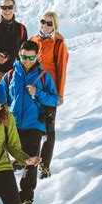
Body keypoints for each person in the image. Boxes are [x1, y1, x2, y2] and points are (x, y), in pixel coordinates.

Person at [0, 40, 58, 204]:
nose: (27, 60)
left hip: (34, 125)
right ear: (19, 54)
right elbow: (2, 99)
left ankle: (26, 198)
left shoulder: (44, 76)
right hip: (13, 124)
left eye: (31, 57)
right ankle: (1, 190)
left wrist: (37, 92)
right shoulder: (10, 76)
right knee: (3, 158)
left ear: (37, 56)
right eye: (24, 56)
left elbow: (54, 99)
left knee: (32, 160)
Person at [30, 11, 69, 179]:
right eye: (43, 22)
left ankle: (45, 165)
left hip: (49, 91)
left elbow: (62, 68)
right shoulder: (32, 40)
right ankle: (31, 162)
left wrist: (59, 94)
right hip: (31, 90)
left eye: (49, 23)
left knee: (49, 129)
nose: (45, 26)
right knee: (33, 128)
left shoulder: (58, 43)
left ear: (55, 26)